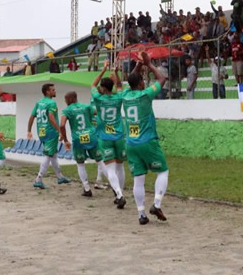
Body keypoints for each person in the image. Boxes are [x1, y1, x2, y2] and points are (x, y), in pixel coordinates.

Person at [122, 51, 169, 225]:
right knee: (163, 171)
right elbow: (162, 79)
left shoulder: (125, 95)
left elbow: (131, 81)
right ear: (141, 83)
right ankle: (156, 204)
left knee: (138, 179)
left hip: (131, 143)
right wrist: (148, 64)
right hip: (147, 141)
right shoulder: (145, 94)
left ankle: (141, 214)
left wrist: (138, 65)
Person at [91, 61, 127, 207]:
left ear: (104, 89)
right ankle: (120, 193)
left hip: (105, 137)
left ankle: (119, 194)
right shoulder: (118, 98)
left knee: (110, 168)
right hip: (118, 136)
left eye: (101, 87)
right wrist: (116, 73)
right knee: (120, 167)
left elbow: (93, 85)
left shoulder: (98, 99)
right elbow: (119, 86)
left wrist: (104, 69)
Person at [61, 91, 105, 198]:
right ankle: (115, 188)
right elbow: (97, 113)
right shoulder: (86, 106)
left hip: (78, 139)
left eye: (65, 99)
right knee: (100, 161)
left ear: (71, 99)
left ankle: (87, 188)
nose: (65, 101)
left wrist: (65, 140)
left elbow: (62, 125)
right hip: (91, 136)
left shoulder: (67, 110)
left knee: (80, 163)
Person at [27, 83, 71, 188]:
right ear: (47, 92)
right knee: (48, 155)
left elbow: (32, 116)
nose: (55, 91)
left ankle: (60, 177)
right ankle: (38, 179)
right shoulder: (52, 103)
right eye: (53, 90)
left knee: (53, 154)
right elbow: (51, 117)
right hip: (51, 132)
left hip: (41, 131)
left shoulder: (39, 103)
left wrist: (29, 130)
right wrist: (60, 130)